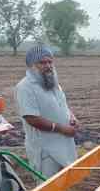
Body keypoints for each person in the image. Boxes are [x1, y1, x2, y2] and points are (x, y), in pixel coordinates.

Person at [14, 45, 78, 180]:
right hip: (45, 151)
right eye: (42, 62)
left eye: (50, 62)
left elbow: (63, 105)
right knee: (47, 189)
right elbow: (32, 118)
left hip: (64, 146)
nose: (48, 66)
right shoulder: (25, 87)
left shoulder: (53, 84)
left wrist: (72, 118)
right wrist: (62, 128)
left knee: (64, 187)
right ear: (31, 66)